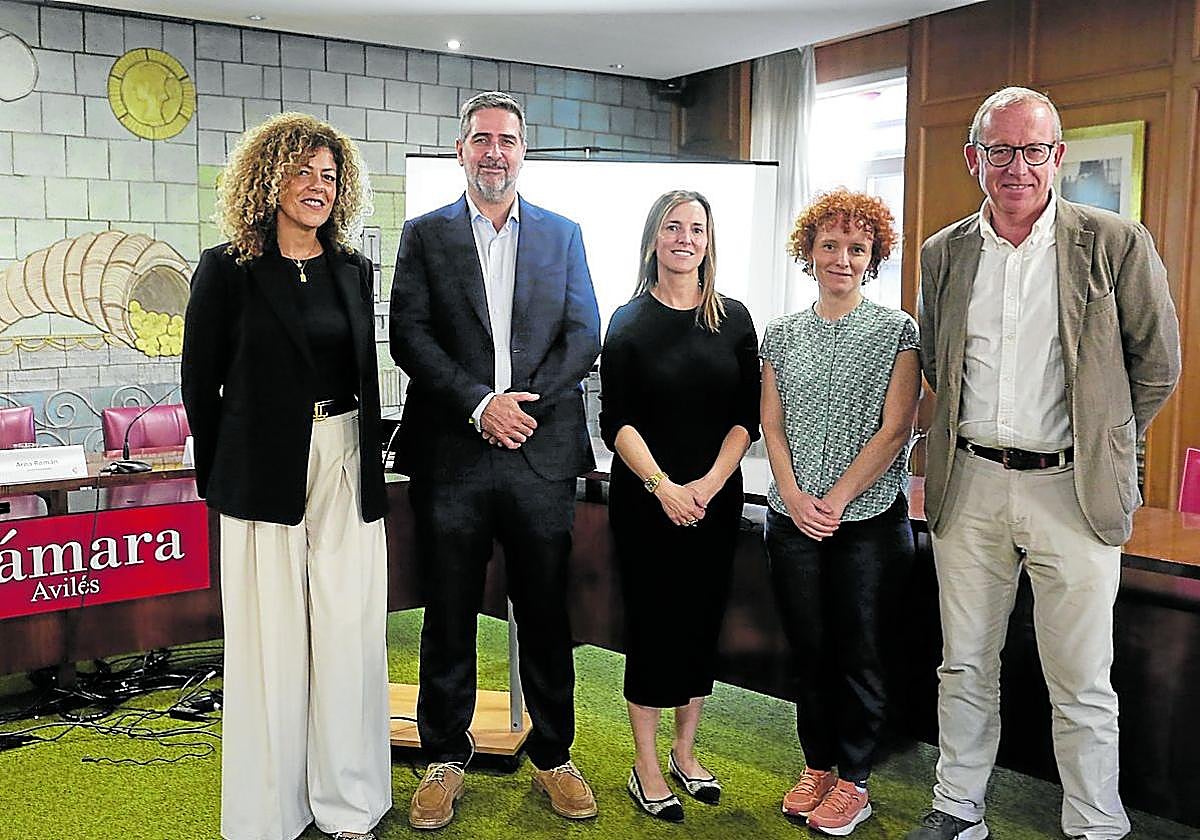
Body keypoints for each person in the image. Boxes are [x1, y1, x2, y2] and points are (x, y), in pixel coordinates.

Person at [907, 87, 1181, 840]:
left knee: (1083, 680)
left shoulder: (1116, 242)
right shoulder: (945, 252)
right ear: (975, 160)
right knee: (964, 664)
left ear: (1057, 157)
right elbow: (936, 359)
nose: (1017, 166)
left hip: (1074, 491)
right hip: (971, 485)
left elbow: (1156, 366)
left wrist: (1100, 443)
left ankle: (1096, 825)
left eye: (1033, 150)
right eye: (1000, 150)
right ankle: (958, 808)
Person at [388, 91, 601, 830]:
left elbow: (584, 333)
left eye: (507, 140)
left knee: (544, 612)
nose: (494, 153)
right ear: (461, 150)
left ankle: (553, 756)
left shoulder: (563, 235)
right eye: (481, 139)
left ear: (522, 151)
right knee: (447, 614)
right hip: (453, 453)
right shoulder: (425, 236)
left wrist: (523, 407)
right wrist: (481, 404)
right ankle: (444, 759)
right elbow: (409, 337)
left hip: (539, 455)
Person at [181, 113, 390, 840]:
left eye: (330, 176)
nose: (318, 187)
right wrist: (225, 480)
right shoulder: (225, 269)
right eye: (302, 171)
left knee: (347, 631)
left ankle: (349, 804)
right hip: (260, 469)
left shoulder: (353, 271)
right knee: (271, 642)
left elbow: (362, 376)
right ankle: (271, 812)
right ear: (268, 179)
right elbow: (198, 384)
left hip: (345, 456)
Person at [760, 188, 920, 836]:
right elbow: (770, 424)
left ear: (873, 254)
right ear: (810, 250)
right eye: (831, 245)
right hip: (792, 519)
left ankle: (855, 780)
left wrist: (839, 498)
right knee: (809, 652)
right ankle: (818, 765)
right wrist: (796, 498)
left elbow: (897, 428)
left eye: (857, 247)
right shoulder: (780, 333)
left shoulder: (897, 330)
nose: (843, 258)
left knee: (861, 655)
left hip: (870, 523)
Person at [599, 190, 761, 823]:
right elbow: (616, 419)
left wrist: (711, 484)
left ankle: (685, 753)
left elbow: (745, 416)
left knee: (699, 625)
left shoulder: (736, 319)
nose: (685, 238)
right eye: (673, 227)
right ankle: (644, 766)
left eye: (696, 228)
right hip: (647, 501)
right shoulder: (628, 320)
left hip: (714, 500)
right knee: (652, 626)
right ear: (654, 238)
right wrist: (664, 487)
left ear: (708, 240)